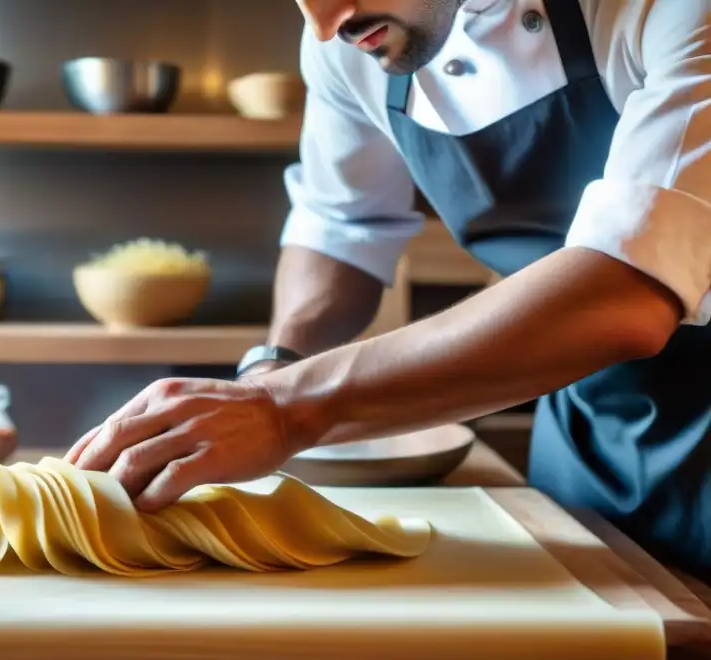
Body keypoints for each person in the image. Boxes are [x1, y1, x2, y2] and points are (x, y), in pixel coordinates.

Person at [66, 0, 711, 576]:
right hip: (587, 447)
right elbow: (342, 225)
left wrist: (285, 410)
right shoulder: (354, 38)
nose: (322, 22)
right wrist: (269, 368)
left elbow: (624, 287)